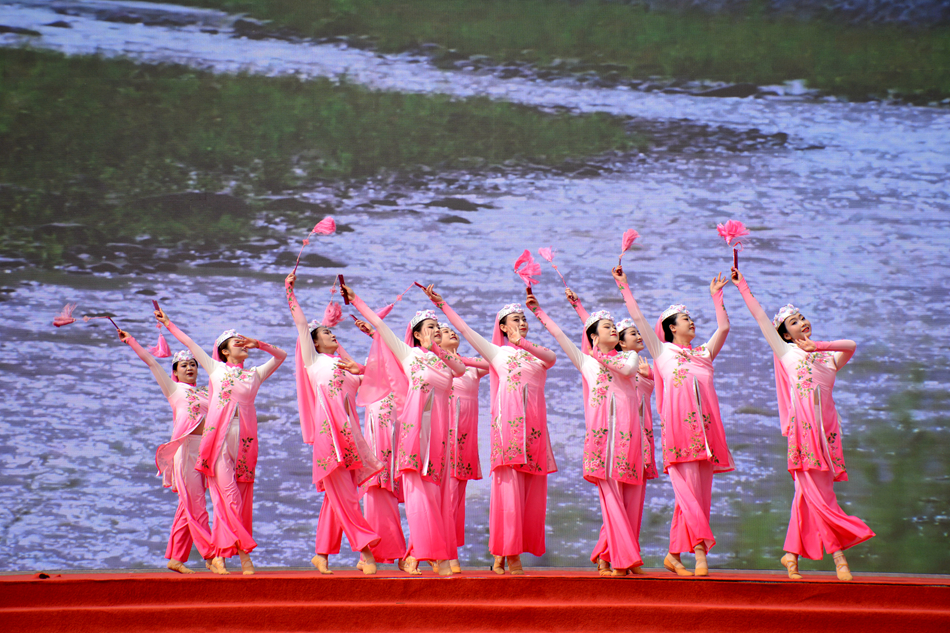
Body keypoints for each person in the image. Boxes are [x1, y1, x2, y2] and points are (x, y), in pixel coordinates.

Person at [731, 268, 874, 581]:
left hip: (828, 430)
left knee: (807, 495)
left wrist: (818, 346)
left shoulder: (827, 357)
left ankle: (791, 555)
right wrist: (743, 287)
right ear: (785, 334)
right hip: (804, 430)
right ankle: (839, 556)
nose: (802, 322)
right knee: (820, 496)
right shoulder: (786, 353)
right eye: (794, 322)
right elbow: (760, 318)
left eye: (802, 318)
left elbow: (851, 345)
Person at [423, 286, 557, 575]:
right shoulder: (497, 353)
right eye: (515, 319)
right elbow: (465, 330)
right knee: (508, 495)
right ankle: (510, 553)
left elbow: (552, 358)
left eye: (524, 318)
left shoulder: (537, 355)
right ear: (503, 327)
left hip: (535, 432)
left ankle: (503, 552)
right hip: (509, 430)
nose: (522, 322)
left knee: (532, 497)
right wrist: (442, 304)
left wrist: (523, 342)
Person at [611, 266, 734, 576]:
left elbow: (723, 328)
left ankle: (672, 555)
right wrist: (624, 285)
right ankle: (700, 552)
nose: (691, 322)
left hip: (707, 435)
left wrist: (717, 297)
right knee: (689, 494)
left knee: (697, 497)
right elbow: (638, 318)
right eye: (685, 318)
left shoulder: (704, 353)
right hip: (679, 434)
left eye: (691, 318)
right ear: (670, 327)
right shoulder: (661, 351)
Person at [342, 283, 466, 575]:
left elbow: (461, 370)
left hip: (439, 433)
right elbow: (380, 325)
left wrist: (437, 348)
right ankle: (429, 554)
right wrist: (356, 299)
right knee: (418, 492)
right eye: (430, 327)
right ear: (417, 334)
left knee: (437, 493)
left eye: (438, 326)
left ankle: (431, 554)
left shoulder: (446, 361)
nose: (437, 330)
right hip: (414, 431)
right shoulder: (409, 355)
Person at [157, 308, 286, 575]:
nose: (243, 344)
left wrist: (258, 343)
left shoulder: (254, 374)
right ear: (224, 351)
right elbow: (189, 342)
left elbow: (281, 355)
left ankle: (220, 556)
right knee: (229, 498)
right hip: (218, 442)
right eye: (237, 342)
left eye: (244, 341)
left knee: (238, 499)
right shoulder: (215, 368)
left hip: (246, 442)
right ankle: (243, 555)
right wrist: (168, 323)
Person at [526, 295, 645, 576]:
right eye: (607, 327)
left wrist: (600, 354)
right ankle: (622, 558)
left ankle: (606, 554)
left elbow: (628, 370)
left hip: (628, 436)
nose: (613, 329)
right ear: (593, 336)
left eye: (614, 326)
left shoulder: (628, 356)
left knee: (626, 500)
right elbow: (559, 335)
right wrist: (538, 310)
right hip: (601, 439)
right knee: (611, 498)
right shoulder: (585, 362)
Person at [285, 273, 382, 574]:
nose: (331, 335)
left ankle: (322, 554)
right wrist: (290, 292)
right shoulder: (314, 362)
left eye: (331, 331)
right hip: (330, 438)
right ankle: (365, 550)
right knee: (347, 497)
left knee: (335, 498)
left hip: (350, 438)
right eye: (325, 333)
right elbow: (302, 324)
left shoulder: (346, 366)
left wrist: (362, 363)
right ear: (314, 343)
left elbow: (379, 378)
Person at [564, 288, 657, 575]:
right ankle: (620, 556)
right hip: (610, 438)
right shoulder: (610, 361)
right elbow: (594, 331)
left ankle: (609, 554)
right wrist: (578, 307)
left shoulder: (640, 365)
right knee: (615, 502)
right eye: (630, 333)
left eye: (633, 332)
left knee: (632, 504)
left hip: (638, 439)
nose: (636, 337)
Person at [118, 330, 213, 574]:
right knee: (197, 505)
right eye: (184, 365)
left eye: (193, 364)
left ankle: (176, 559)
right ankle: (211, 555)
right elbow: (151, 362)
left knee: (187, 506)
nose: (190, 367)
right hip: (185, 451)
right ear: (175, 372)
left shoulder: (205, 391)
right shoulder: (173, 389)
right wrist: (131, 340)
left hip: (205, 451)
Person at [352, 317, 409, 571]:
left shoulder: (398, 371)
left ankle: (389, 551)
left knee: (386, 492)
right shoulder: (370, 372)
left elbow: (393, 356)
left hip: (392, 436)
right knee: (375, 493)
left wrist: (374, 333)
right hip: (375, 435)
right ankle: (374, 552)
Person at [438, 322, 489, 574]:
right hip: (446, 437)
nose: (452, 333)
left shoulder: (470, 368)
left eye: (453, 331)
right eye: (445, 332)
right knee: (446, 497)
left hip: (466, 440)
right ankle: (437, 551)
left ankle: (450, 550)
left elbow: (491, 363)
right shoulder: (437, 364)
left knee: (458, 500)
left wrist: (461, 358)